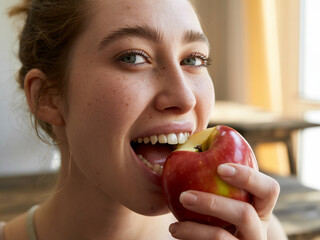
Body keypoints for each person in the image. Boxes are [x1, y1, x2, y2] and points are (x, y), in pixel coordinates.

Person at [1, 0, 288, 239]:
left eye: (193, 59)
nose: (185, 97)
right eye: (134, 57)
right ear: (49, 96)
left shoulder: (260, 234)